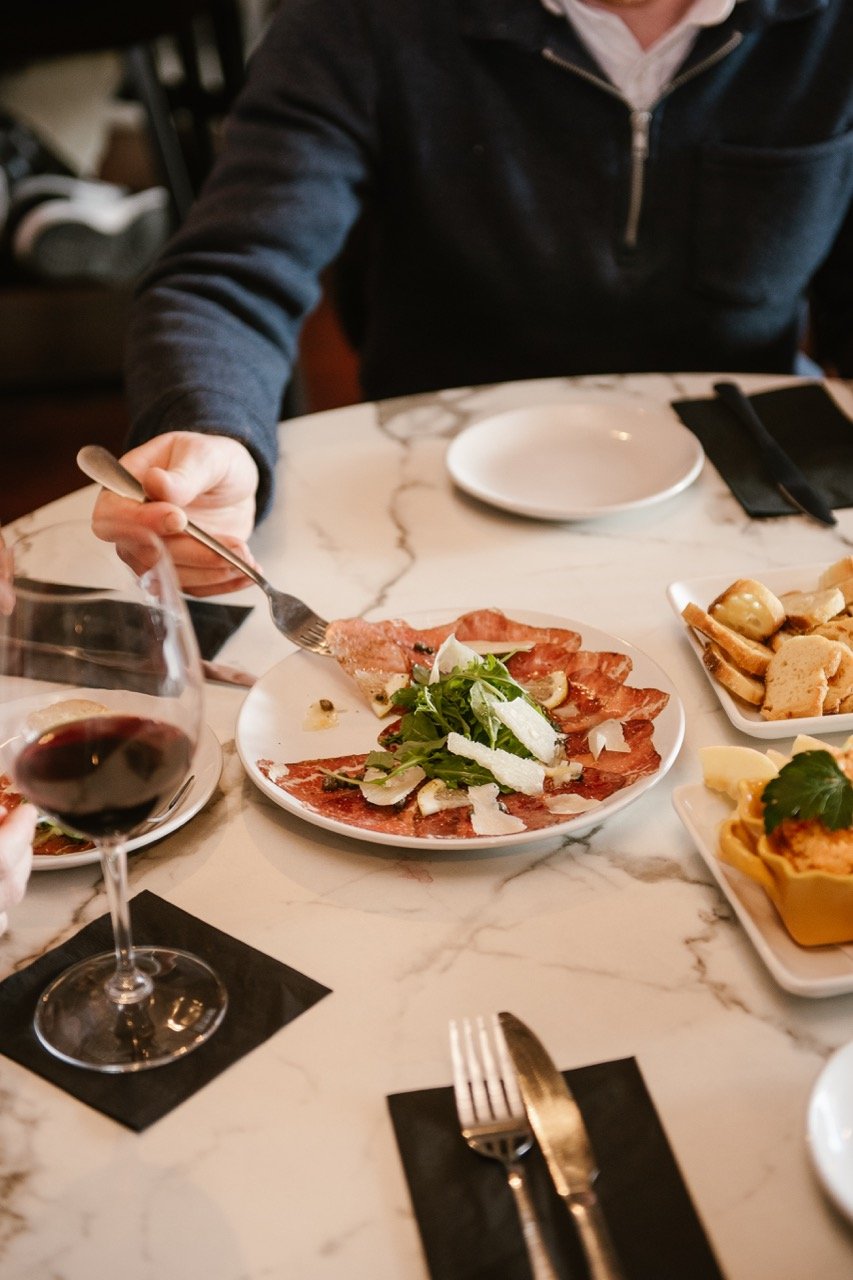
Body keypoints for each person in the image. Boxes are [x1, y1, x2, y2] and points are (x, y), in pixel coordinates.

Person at [93, 0, 852, 593]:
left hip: (751, 453)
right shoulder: (360, 18)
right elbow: (233, 270)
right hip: (434, 475)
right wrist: (211, 430)